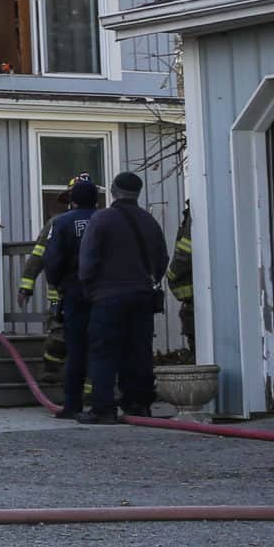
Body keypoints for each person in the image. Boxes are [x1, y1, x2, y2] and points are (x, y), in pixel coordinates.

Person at [78, 170, 170, 424]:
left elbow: (87, 261)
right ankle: (138, 405)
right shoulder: (149, 221)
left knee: (104, 351)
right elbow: (162, 260)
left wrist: (90, 290)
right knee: (139, 351)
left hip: (108, 297)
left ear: (113, 190)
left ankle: (103, 408)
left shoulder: (102, 219)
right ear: (138, 193)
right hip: (142, 295)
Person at [24, 175, 102, 418]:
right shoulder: (106, 221)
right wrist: (27, 284)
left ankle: (77, 397)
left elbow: (49, 258)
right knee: (78, 342)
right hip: (100, 294)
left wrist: (50, 282)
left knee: (76, 345)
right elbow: (40, 255)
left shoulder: (62, 223)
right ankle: (56, 374)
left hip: (70, 294)